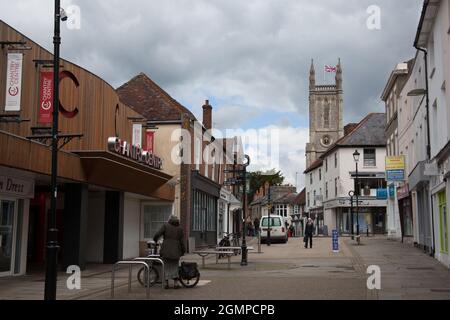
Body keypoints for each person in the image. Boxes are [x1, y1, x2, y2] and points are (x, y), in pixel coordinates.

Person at [153, 215, 186, 289]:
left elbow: (158, 234)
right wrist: (183, 250)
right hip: (176, 250)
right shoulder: (180, 228)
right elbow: (182, 241)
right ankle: (176, 284)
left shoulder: (165, 226)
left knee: (166, 266)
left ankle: (166, 284)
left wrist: (155, 239)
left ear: (170, 220)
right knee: (175, 266)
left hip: (166, 249)